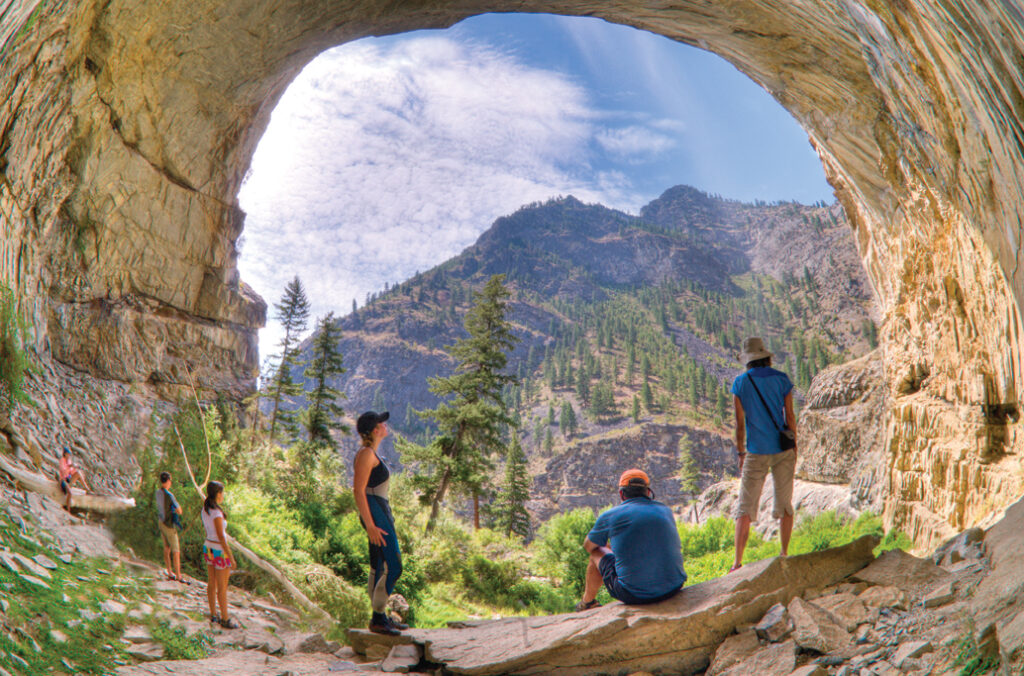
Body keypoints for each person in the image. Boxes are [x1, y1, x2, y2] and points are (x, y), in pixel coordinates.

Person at [730, 336, 797, 573]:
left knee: (745, 508)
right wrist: (795, 445)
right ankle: (784, 554)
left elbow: (739, 424)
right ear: (766, 357)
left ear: (748, 360)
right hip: (782, 449)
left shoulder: (740, 383)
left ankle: (737, 562)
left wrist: (740, 452)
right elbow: (789, 415)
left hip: (755, 451)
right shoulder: (781, 379)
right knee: (785, 502)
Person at [576, 469, 686, 611]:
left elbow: (588, 546)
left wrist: (608, 546)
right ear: (647, 492)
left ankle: (587, 603)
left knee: (597, 551)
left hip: (635, 596)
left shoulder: (611, 515)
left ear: (621, 493)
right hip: (674, 587)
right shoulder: (665, 509)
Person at [353, 410, 405, 635]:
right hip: (376, 514)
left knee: (379, 564)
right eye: (382, 424)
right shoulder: (366, 454)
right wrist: (371, 524)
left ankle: (380, 616)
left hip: (379, 512)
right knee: (394, 566)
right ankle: (377, 617)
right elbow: (358, 491)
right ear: (375, 430)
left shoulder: (370, 453)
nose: (385, 426)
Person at [201, 481, 238, 628]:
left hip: (208, 547)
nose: (223, 495)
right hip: (218, 550)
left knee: (212, 583)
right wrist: (231, 557)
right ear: (218, 493)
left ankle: (213, 614)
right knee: (222, 587)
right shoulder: (216, 513)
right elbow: (221, 537)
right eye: (222, 492)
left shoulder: (205, 509)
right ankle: (225, 618)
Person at [156, 471, 189, 584]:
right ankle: (179, 576)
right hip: (169, 525)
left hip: (161, 522)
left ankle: (170, 572)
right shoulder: (170, 495)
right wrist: (174, 510)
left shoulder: (158, 493)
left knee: (166, 548)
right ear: (168, 481)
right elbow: (179, 510)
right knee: (176, 551)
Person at [58, 447, 91, 512]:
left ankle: (86, 488)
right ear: (64, 454)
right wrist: (69, 467)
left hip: (69, 479)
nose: (69, 456)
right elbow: (63, 471)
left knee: (78, 473)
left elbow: (72, 471)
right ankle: (68, 509)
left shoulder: (69, 461)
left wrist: (74, 468)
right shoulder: (62, 460)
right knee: (70, 493)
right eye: (67, 454)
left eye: (69, 454)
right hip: (64, 480)